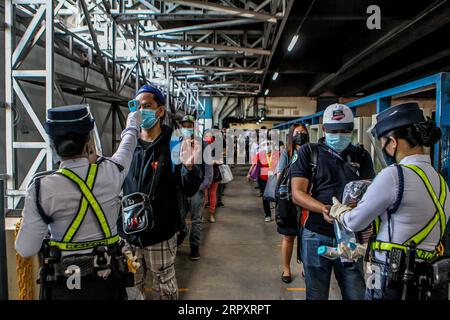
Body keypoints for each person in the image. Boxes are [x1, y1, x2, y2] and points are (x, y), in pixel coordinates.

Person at [15, 104, 142, 300]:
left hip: (63, 289)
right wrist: (133, 121)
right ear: (88, 141)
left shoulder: (41, 188)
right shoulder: (112, 172)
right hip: (107, 285)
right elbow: (128, 143)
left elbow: (26, 248)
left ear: (53, 144)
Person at [329, 102, 450, 300]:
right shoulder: (440, 181)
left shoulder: (394, 175)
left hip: (391, 280)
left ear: (393, 142)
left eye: (384, 142)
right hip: (426, 282)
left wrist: (339, 211)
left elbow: (355, 222)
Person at [120, 85, 201, 300]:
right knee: (130, 289)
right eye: (136, 106)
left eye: (147, 106)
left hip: (161, 233)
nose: (141, 111)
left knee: (164, 288)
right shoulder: (128, 144)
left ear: (161, 111)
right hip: (130, 233)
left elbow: (189, 189)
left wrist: (190, 168)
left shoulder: (175, 144)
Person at [291, 103, 375, 300]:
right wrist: (324, 209)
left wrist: (356, 207)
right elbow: (297, 193)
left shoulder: (361, 156)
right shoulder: (308, 153)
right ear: (323, 129)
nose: (339, 135)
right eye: (333, 130)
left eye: (344, 131)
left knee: (355, 292)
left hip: (351, 238)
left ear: (351, 130)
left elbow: (370, 191)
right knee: (316, 293)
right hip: (316, 235)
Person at [276, 124, 309, 283]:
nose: (301, 135)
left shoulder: (312, 152)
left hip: (307, 202)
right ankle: (286, 268)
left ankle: (305, 267)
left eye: (303, 132)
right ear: (291, 135)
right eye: (297, 132)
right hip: (289, 202)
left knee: (306, 237)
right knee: (289, 237)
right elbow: (278, 177)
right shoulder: (286, 154)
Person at [177, 115, 213, 261]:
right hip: (180, 189)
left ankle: (194, 248)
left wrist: (201, 186)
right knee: (179, 218)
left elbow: (208, 170)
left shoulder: (203, 144)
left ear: (194, 126)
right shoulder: (177, 143)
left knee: (196, 219)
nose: (186, 128)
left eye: (189, 125)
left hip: (196, 190)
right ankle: (183, 232)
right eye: (184, 125)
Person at [247, 139, 280, 222]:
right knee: (265, 196)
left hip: (275, 178)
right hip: (263, 178)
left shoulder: (277, 154)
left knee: (278, 196)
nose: (267, 146)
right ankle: (268, 214)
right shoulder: (260, 154)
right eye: (266, 144)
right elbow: (253, 165)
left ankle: (278, 214)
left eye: (269, 144)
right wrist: (249, 174)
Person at [203, 128, 222, 223]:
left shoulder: (216, 146)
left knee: (212, 194)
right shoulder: (201, 146)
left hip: (214, 173)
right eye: (206, 136)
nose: (207, 138)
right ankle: (200, 215)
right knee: (204, 195)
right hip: (203, 174)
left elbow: (220, 160)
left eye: (209, 136)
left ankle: (211, 214)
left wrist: (212, 162)